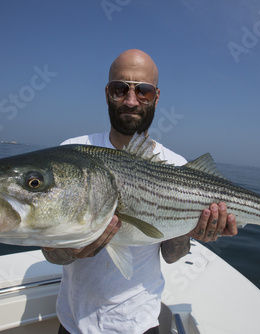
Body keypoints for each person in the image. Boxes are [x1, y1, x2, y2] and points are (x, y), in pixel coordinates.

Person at [42, 49, 237, 334]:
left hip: (138, 325)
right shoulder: (73, 152)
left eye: (143, 91)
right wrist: (66, 250)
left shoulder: (176, 166)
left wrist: (191, 229)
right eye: (120, 89)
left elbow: (171, 255)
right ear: (107, 92)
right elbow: (51, 253)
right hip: (72, 323)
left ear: (156, 97)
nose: (131, 100)